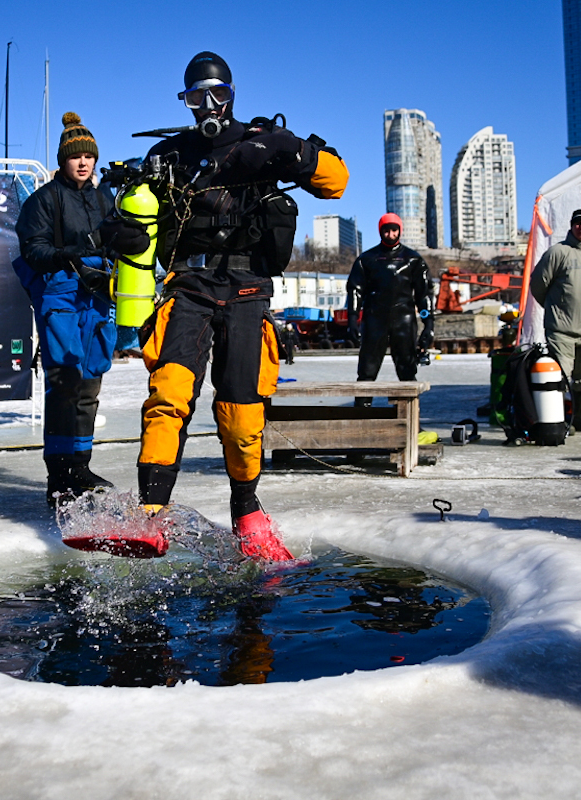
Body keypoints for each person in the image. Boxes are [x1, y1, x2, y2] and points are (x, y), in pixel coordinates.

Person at [101, 51, 348, 561]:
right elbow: (122, 217)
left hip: (246, 285)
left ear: (232, 95)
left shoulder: (261, 144)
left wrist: (288, 147)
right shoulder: (169, 155)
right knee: (168, 394)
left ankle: (248, 513)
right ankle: (150, 515)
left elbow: (336, 182)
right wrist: (116, 232)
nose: (207, 106)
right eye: (196, 96)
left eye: (218, 95)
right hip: (188, 281)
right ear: (186, 101)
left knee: (241, 410)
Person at [14, 112, 116, 506]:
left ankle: (81, 464)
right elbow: (32, 250)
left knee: (91, 383)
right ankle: (59, 476)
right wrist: (70, 253)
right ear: (63, 160)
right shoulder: (43, 199)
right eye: (75, 157)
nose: (83, 162)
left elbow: (116, 244)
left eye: (88, 156)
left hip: (98, 293)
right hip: (61, 293)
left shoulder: (104, 197)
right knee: (65, 383)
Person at [530, 207, 581, 434]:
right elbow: (538, 284)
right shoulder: (558, 252)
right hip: (561, 329)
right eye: (577, 223)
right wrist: (556, 308)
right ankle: (559, 418)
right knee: (560, 374)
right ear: (572, 226)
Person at [346, 212, 434, 406]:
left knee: (407, 371)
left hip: (404, 320)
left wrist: (428, 324)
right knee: (367, 371)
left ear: (400, 231)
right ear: (380, 231)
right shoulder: (367, 260)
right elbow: (354, 291)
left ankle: (411, 418)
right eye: (386, 230)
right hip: (374, 319)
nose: (390, 234)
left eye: (394, 230)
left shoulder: (413, 260)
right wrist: (352, 318)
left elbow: (424, 295)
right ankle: (361, 416)